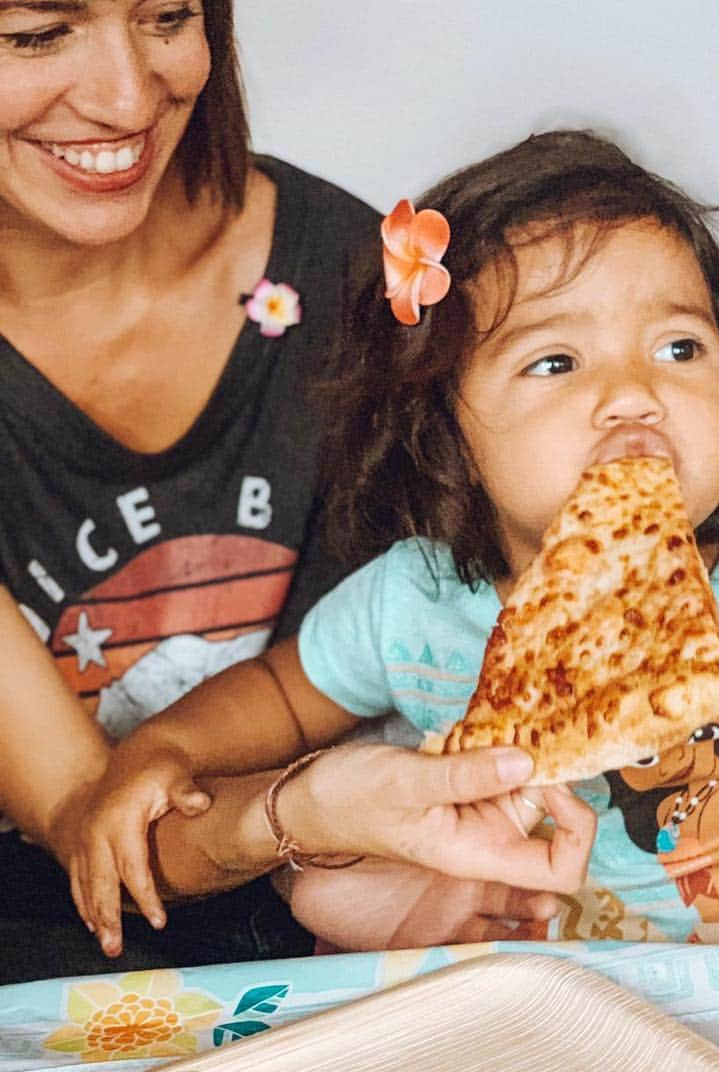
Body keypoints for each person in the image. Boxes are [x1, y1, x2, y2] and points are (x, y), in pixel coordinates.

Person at [72, 129, 719, 950]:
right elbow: (282, 698)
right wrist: (162, 745)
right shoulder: (415, 601)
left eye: (679, 348)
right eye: (557, 359)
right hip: (528, 1019)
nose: (634, 392)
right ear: (447, 423)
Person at [0, 2, 593, 983]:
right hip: (53, 953)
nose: (125, 97)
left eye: (167, 16)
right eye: (34, 35)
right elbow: (90, 820)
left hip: (379, 922)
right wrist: (305, 809)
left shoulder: (357, 273)